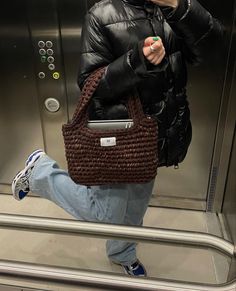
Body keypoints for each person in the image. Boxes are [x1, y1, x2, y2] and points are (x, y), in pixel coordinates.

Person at [12, 0, 221, 277]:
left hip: (155, 135)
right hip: (118, 135)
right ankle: (39, 170)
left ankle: (121, 253)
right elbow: (90, 84)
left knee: (134, 209)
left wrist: (177, 5)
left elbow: (212, 47)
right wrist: (138, 61)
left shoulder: (176, 8)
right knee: (104, 216)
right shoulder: (102, 14)